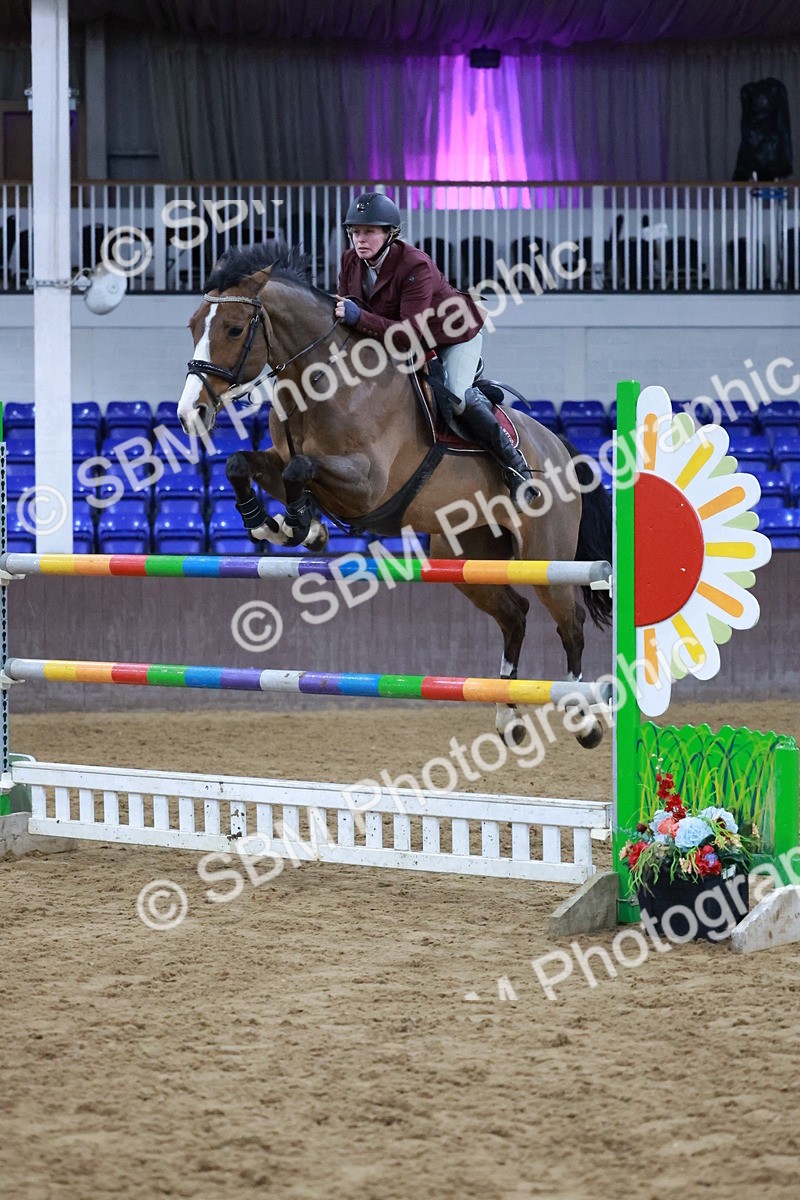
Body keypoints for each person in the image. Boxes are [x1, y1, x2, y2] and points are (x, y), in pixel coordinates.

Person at [334, 192, 532, 497]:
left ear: (390, 234)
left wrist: (358, 316)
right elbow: (352, 312)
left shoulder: (416, 265)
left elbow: (408, 332)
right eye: (355, 232)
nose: (360, 239)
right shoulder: (350, 261)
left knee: (456, 397)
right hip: (396, 339)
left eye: (369, 232)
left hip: (451, 337)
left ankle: (514, 462)